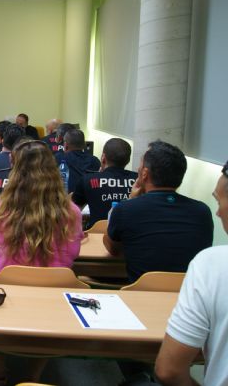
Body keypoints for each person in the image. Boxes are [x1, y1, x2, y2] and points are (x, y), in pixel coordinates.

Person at [0, 140, 83, 384]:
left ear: (14, 169)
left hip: (7, 292)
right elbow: (73, 254)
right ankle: (34, 377)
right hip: (55, 294)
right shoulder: (72, 213)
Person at [155, 160, 228, 386]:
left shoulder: (213, 264)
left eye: (219, 200)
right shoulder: (200, 211)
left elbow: (169, 371)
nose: (217, 211)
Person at [104, 141, 213, 283]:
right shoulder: (203, 212)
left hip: (141, 296)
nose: (137, 168)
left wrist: (130, 201)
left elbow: (113, 249)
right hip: (187, 294)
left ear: (144, 174)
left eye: (141, 165)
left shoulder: (126, 209)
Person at [72, 138, 138, 229]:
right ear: (128, 160)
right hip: (130, 236)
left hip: (96, 236)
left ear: (103, 157)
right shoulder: (138, 180)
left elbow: (73, 210)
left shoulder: (88, 180)